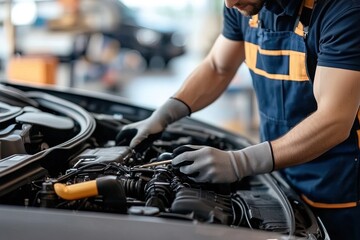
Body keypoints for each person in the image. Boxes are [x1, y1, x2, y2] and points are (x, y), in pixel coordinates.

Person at [116, 0, 360, 239]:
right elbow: (217, 67)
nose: (230, 4)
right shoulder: (245, 6)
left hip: (338, 191)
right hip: (275, 173)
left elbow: (334, 120)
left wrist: (241, 162)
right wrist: (164, 115)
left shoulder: (343, 11)